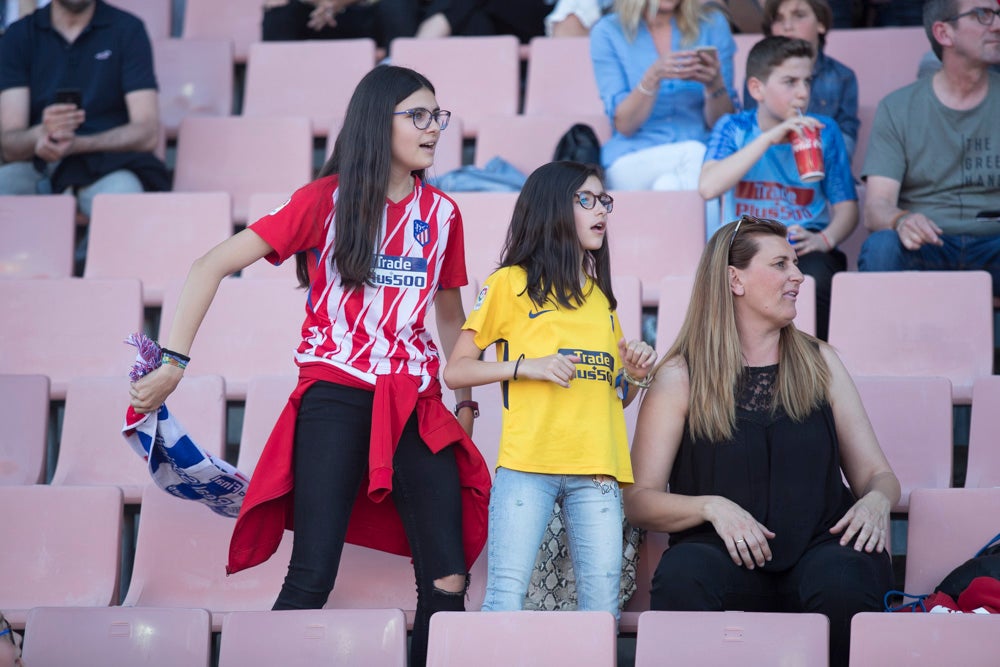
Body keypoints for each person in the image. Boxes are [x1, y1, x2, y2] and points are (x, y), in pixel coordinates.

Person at [128, 65, 491, 667]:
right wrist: (173, 363)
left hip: (416, 403)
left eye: (438, 117)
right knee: (312, 574)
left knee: (448, 579)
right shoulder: (325, 199)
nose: (434, 128)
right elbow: (208, 265)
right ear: (378, 122)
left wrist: (465, 401)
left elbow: (450, 315)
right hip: (336, 394)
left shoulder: (444, 213)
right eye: (419, 116)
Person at [625, 215, 900, 667]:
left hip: (821, 548)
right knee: (683, 576)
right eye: (780, 264)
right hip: (720, 554)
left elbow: (877, 474)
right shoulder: (680, 375)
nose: (798, 276)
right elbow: (638, 499)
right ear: (735, 280)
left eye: (796, 263)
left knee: (846, 578)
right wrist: (712, 507)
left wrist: (876, 501)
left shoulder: (820, 362)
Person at [444, 160, 656, 618]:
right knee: (505, 600)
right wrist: (526, 367)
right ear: (553, 207)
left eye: (604, 200)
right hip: (527, 466)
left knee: (602, 611)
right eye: (587, 200)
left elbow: (616, 395)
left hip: (598, 471)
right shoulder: (509, 283)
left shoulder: (601, 299)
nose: (601, 210)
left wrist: (635, 375)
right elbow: (456, 371)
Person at [700, 36, 856, 341]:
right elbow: (708, 186)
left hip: (802, 248)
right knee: (725, 278)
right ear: (756, 88)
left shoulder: (824, 131)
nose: (803, 92)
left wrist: (825, 239)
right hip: (743, 246)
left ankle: (813, 361)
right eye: (790, 82)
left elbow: (848, 208)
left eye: (807, 81)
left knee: (817, 276)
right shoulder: (734, 127)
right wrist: (769, 138)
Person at [858, 0, 1000, 286]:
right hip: (927, 243)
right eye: (983, 15)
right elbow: (876, 208)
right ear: (943, 33)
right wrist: (901, 220)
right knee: (882, 247)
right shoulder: (898, 107)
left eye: (997, 14)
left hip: (994, 242)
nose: (997, 25)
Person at [0, 0, 168, 220]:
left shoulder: (127, 29)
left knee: (124, 196)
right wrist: (40, 135)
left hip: (107, 165)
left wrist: (79, 144)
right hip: (37, 165)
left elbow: (147, 133)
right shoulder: (19, 35)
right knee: (4, 185)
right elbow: (10, 143)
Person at [590, 0, 738, 191]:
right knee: (694, 154)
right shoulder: (608, 30)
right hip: (633, 157)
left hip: (701, 155)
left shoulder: (712, 24)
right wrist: (652, 78)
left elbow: (723, 124)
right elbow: (624, 125)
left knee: (669, 184)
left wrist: (713, 84)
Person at [743, 0, 859, 158]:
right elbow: (750, 134)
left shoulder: (843, 77)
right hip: (768, 167)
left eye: (799, 15)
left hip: (822, 168)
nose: (787, 26)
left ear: (821, 23)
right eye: (778, 18)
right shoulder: (759, 76)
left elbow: (845, 147)